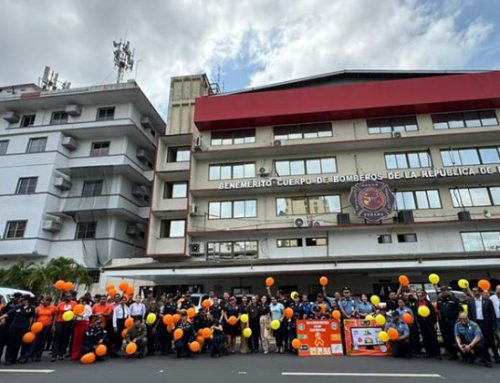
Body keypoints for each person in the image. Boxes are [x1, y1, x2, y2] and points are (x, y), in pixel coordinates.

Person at [466, 287, 499, 363]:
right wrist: (470, 325)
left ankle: (497, 358)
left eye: (476, 291)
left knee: (491, 341)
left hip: (486, 323)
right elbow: (470, 314)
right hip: (476, 323)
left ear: (480, 292)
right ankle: (486, 357)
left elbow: (493, 315)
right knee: (480, 341)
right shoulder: (470, 301)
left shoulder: (487, 301)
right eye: (473, 291)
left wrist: (494, 326)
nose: (474, 292)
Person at [2, 295, 35, 364]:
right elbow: (7, 314)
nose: (20, 301)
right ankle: (8, 359)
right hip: (13, 327)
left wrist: (30, 327)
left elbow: (31, 318)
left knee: (18, 343)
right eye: (20, 300)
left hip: (23, 327)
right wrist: (2, 318)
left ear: (26, 300)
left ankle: (13, 358)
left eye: (22, 300)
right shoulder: (17, 307)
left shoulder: (31, 308)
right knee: (11, 343)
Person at [436, 286, 462, 360]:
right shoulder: (439, 299)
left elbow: (460, 310)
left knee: (454, 337)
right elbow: (438, 310)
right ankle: (450, 352)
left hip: (453, 321)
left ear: (448, 291)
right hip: (444, 321)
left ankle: (457, 353)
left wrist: (458, 320)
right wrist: (440, 319)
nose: (443, 292)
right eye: (442, 291)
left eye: (444, 291)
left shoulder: (455, 299)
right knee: (446, 338)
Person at [29, 296, 56, 362]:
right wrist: (33, 325)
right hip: (38, 326)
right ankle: (32, 354)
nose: (43, 302)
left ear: (49, 302)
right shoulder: (38, 308)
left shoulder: (53, 308)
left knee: (43, 340)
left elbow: (55, 316)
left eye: (45, 300)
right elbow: (35, 317)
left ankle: (38, 355)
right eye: (43, 300)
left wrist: (53, 326)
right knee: (36, 340)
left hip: (47, 325)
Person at [51, 293, 76, 362]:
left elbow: (75, 312)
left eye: (69, 296)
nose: (68, 298)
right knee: (57, 337)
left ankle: (61, 353)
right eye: (67, 297)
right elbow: (56, 315)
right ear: (64, 297)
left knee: (65, 338)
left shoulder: (74, 304)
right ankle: (54, 354)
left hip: (68, 322)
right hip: (59, 321)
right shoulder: (60, 304)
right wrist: (53, 325)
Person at [415, 290, 440, 359]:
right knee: (425, 338)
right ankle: (429, 352)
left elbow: (433, 314)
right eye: (418, 296)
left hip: (430, 323)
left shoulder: (428, 303)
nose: (420, 297)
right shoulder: (416, 303)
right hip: (422, 323)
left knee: (433, 338)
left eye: (421, 296)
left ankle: (437, 353)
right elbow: (416, 313)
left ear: (424, 296)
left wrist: (434, 323)